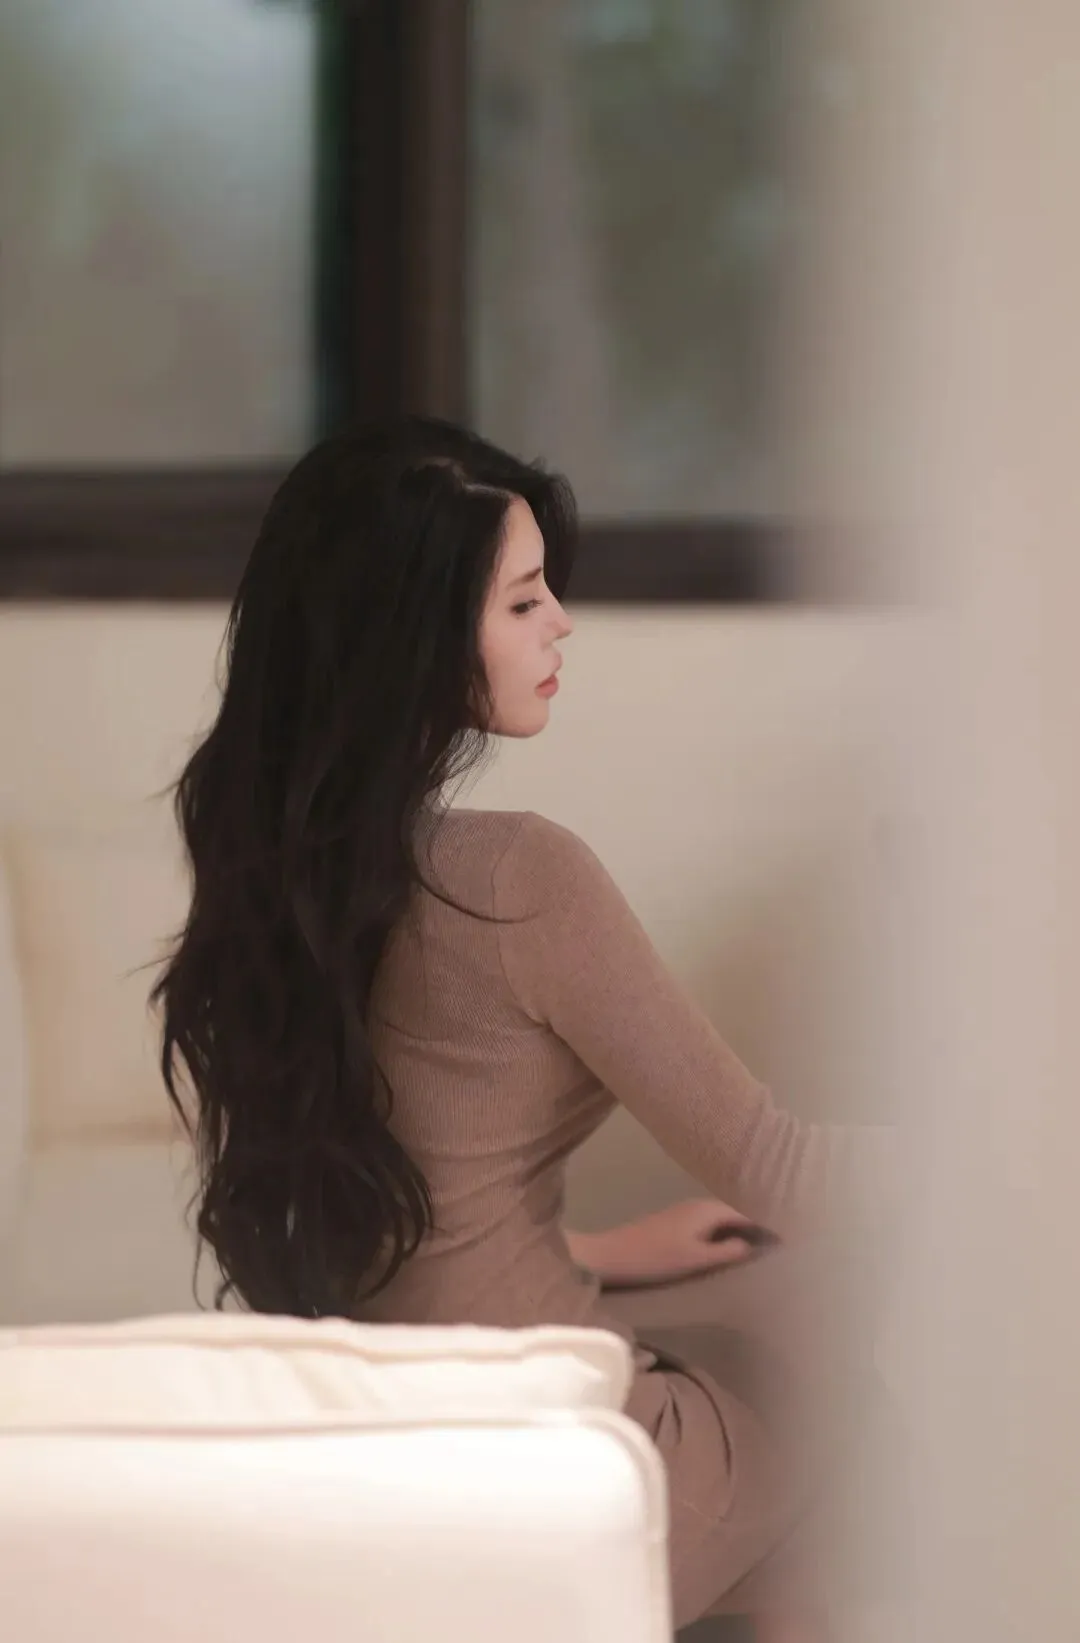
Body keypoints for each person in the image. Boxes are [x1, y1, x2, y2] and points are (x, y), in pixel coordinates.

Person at [154, 416, 896, 1640]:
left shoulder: (268, 849)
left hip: (402, 1429)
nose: (562, 623)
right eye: (523, 598)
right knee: (857, 1389)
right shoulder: (515, 876)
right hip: (541, 1461)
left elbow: (396, 1162)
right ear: (420, 636)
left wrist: (595, 1247)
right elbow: (778, 1162)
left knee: (749, 1297)